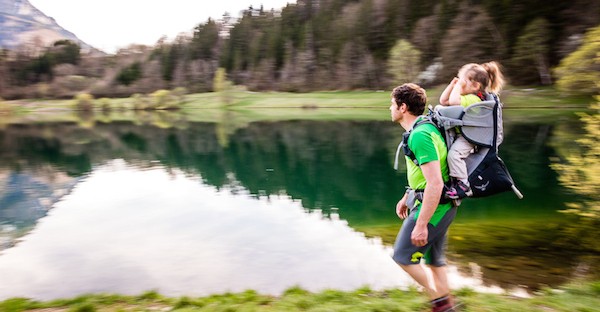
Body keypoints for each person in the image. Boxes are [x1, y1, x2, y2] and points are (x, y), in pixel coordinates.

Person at [389, 83, 459, 312]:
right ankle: (445, 306)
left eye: (392, 104)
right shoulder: (424, 128)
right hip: (442, 205)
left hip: (435, 208)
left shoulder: (420, 136)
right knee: (434, 261)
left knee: (402, 256)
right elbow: (423, 175)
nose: (390, 108)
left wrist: (421, 225)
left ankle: (439, 301)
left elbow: (435, 182)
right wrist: (407, 196)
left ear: (403, 107)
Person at [439, 61, 505, 199]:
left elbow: (453, 102)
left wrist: (457, 87)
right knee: (452, 155)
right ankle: (456, 182)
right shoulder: (467, 97)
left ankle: (464, 186)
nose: (459, 84)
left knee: (454, 155)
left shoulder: (474, 99)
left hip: (470, 137)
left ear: (475, 86)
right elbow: (444, 101)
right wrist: (452, 85)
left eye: (463, 82)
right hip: (466, 134)